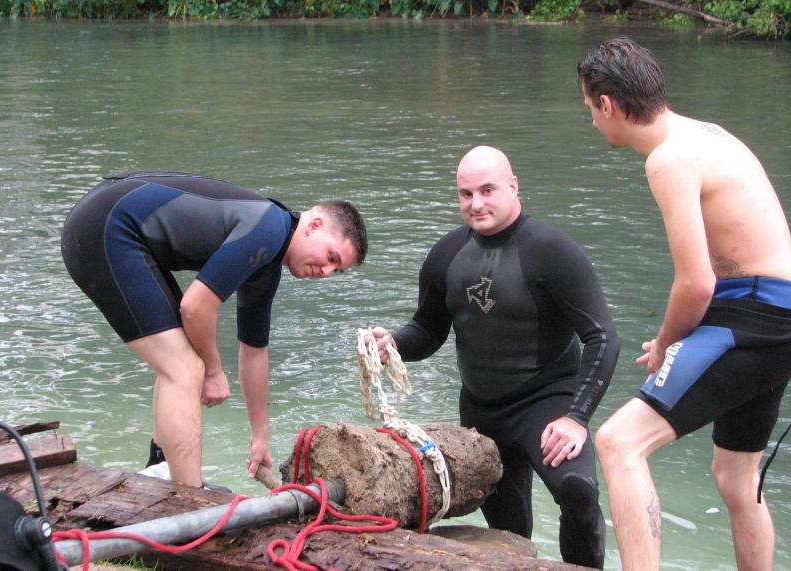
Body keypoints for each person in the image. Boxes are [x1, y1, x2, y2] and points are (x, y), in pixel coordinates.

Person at [578, 37, 791, 571]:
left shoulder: (669, 159)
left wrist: (668, 342)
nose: (593, 123)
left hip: (755, 315)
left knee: (618, 443)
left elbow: (697, 284)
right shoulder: (707, 134)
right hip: (776, 312)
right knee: (735, 476)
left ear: (607, 103)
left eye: (589, 109)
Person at [368, 146, 619, 569]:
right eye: (466, 194)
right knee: (507, 534)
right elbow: (428, 332)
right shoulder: (446, 255)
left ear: (513, 186)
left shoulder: (551, 249)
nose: (476, 203)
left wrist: (575, 417)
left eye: (487, 190)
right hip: (484, 410)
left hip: (548, 401)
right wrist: (391, 344)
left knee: (577, 489)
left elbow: (602, 337)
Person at [62, 171, 368, 488]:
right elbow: (195, 307)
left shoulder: (268, 257)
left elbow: (254, 352)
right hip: (105, 227)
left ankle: (162, 469)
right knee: (185, 368)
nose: (327, 271)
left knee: (178, 358)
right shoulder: (268, 229)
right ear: (315, 225)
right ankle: (189, 499)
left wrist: (259, 437)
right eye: (331, 257)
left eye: (337, 270)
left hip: (108, 224)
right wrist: (212, 371)